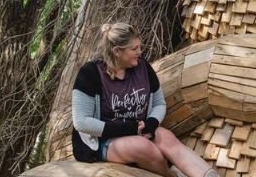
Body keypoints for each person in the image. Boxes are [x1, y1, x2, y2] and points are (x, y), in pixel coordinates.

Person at [71, 22, 217, 176]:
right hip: (101, 141)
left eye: (139, 47)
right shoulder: (90, 73)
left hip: (139, 131)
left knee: (168, 139)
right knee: (143, 147)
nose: (140, 52)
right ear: (116, 51)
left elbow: (159, 103)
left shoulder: (143, 68)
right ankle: (171, 175)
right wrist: (127, 129)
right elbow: (81, 122)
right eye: (134, 49)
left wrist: (152, 122)